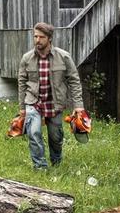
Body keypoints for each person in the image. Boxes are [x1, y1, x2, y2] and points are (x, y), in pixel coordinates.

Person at [16, 22, 85, 169]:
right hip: (33, 101)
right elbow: (22, 83)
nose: (37, 40)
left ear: (49, 38)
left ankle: (56, 162)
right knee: (33, 133)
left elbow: (74, 80)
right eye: (35, 36)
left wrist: (78, 106)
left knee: (55, 137)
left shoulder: (63, 56)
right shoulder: (27, 58)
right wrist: (22, 107)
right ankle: (40, 167)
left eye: (41, 37)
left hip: (55, 102)